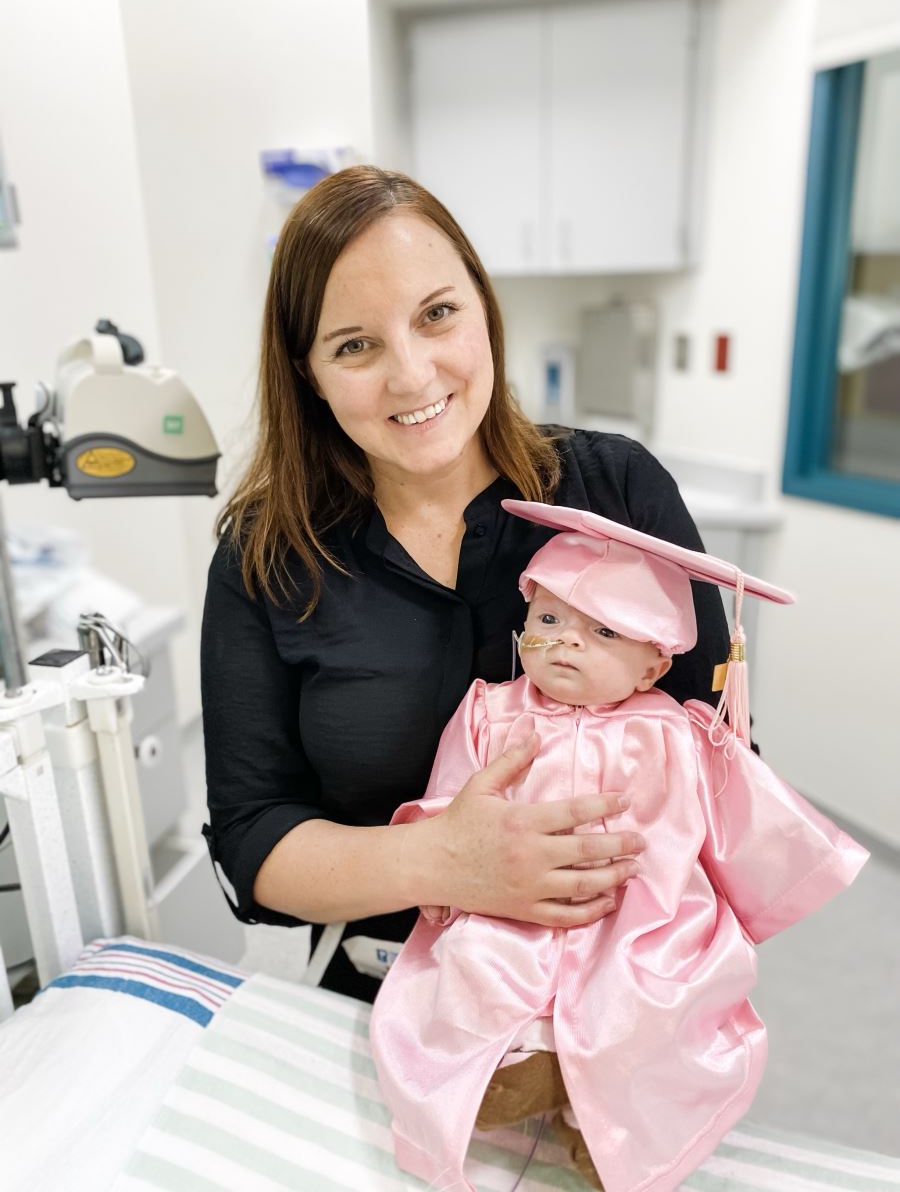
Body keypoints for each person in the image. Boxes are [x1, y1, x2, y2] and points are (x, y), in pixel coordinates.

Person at [201, 164, 731, 1003]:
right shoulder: (267, 555)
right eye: (355, 345)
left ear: (484, 308)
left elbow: (722, 759)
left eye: (437, 314)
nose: (411, 377)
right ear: (309, 372)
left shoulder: (618, 493)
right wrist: (445, 860)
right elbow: (252, 836)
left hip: (623, 984)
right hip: (375, 991)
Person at [368, 502, 869, 1192]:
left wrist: (766, 891)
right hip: (510, 907)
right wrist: (453, 877)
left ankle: (609, 1135)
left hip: (642, 916)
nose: (565, 642)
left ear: (652, 664)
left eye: (604, 629)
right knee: (476, 961)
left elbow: (744, 827)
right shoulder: (491, 710)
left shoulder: (677, 734)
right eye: (549, 621)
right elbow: (446, 810)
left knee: (651, 997)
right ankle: (521, 1067)